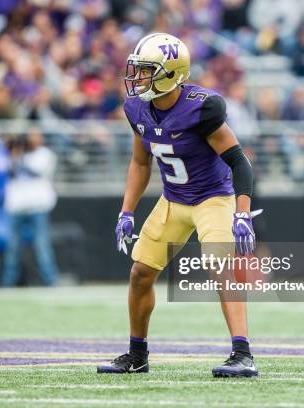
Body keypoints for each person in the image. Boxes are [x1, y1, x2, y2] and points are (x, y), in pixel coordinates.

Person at [97, 33, 261, 377]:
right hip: (173, 199)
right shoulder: (137, 108)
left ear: (170, 73)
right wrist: (126, 211)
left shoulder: (201, 107)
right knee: (140, 273)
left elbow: (240, 162)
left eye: (146, 71)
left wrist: (242, 212)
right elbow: (141, 163)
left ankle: (242, 353)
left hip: (213, 197)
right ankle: (137, 354)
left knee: (219, 263)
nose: (137, 77)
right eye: (137, 70)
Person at [1, 129, 59, 287]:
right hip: (16, 207)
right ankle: (7, 283)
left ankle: (51, 281)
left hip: (37, 207)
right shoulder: (13, 155)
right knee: (12, 247)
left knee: (42, 245)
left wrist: (19, 156)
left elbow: (34, 171)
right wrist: (12, 151)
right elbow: (9, 172)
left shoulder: (45, 154)